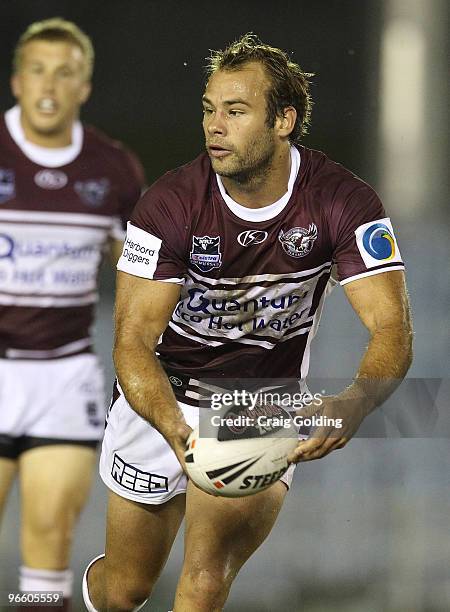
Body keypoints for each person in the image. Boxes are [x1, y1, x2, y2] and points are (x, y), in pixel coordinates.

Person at [83, 34, 413, 612]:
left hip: (257, 404)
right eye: (210, 109)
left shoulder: (343, 201)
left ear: (284, 120)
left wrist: (355, 402)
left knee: (206, 582)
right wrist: (173, 428)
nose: (215, 126)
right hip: (164, 397)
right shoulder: (169, 205)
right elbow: (132, 343)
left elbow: (393, 330)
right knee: (125, 591)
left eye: (236, 111)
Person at [0, 18, 145, 611]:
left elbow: (143, 270)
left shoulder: (112, 170)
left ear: (84, 87)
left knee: (50, 542)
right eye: (38, 69)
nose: (50, 84)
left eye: (66, 73)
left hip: (64, 375)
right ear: (16, 80)